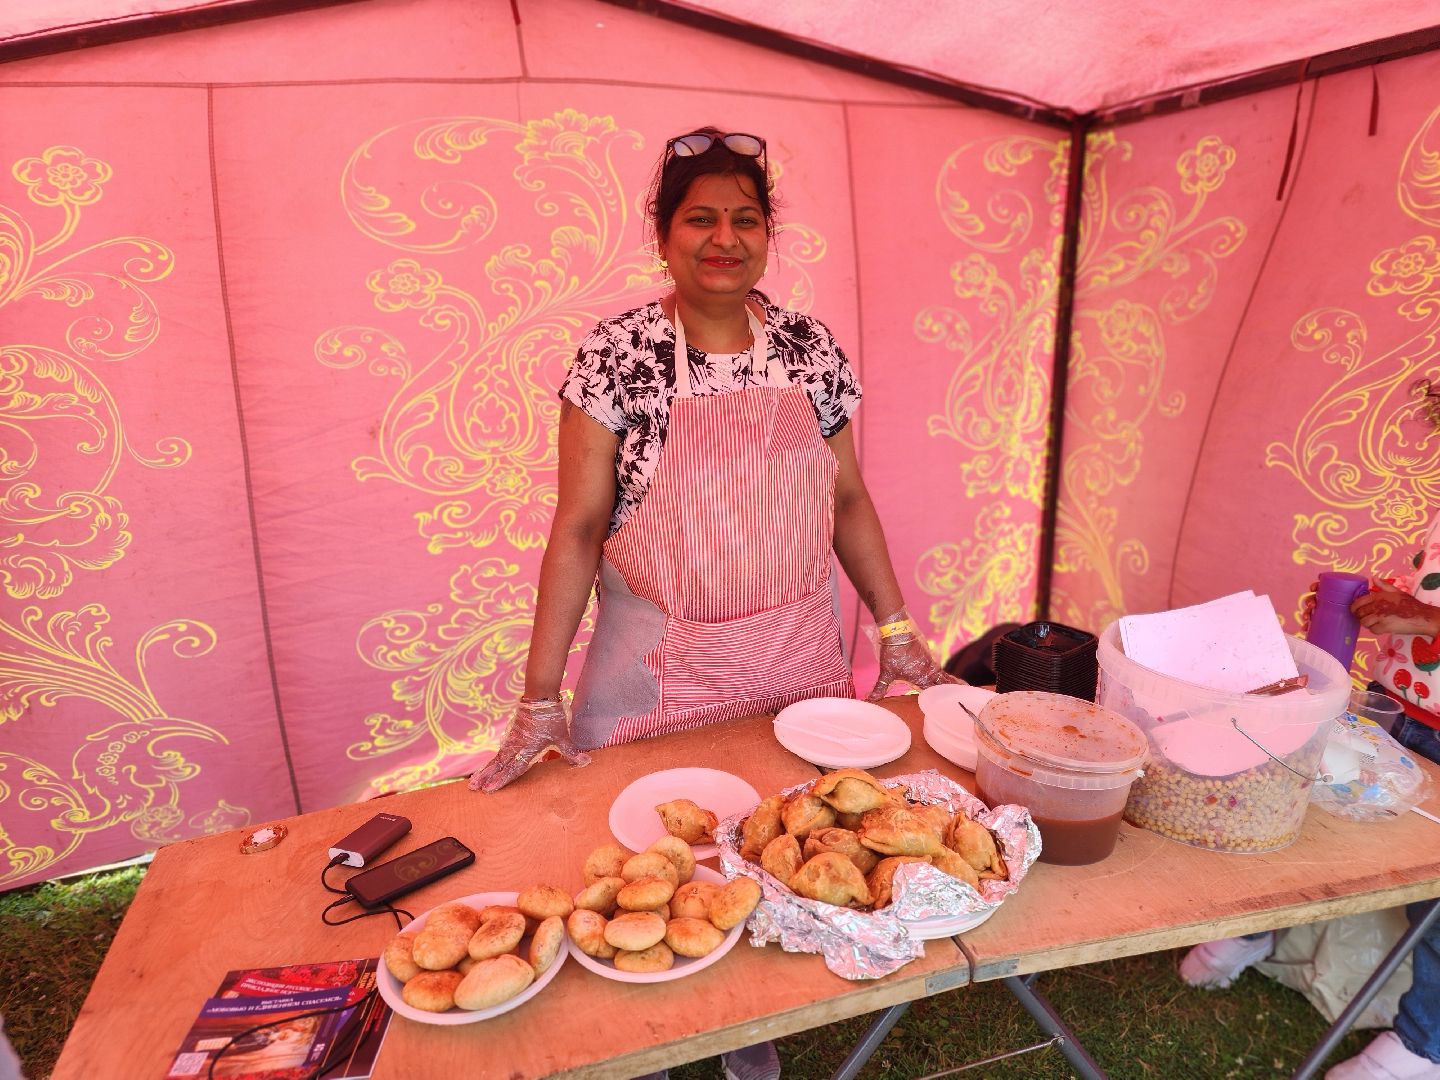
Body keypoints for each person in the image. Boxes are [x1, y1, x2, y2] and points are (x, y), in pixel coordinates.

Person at [469, 127, 955, 1080]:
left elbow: (845, 497)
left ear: (770, 235)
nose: (724, 237)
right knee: (651, 865)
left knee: (784, 852)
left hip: (798, 670)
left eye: (746, 218)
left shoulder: (808, 348)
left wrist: (895, 633)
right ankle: (647, 1032)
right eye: (701, 218)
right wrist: (540, 695)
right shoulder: (620, 355)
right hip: (658, 675)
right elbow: (576, 530)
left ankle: (753, 1028)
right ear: (664, 236)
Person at [1181, 473, 1440, 1075]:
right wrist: (1377, 602)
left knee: (1436, 892)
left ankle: (1423, 1044)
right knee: (1310, 816)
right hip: (1397, 706)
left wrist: (1425, 621)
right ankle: (1260, 929)